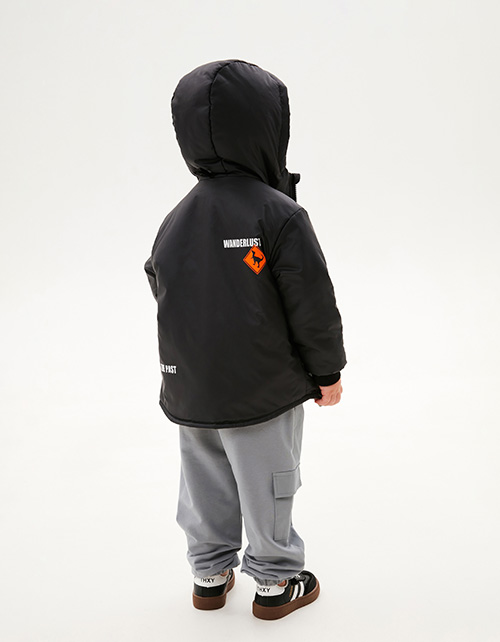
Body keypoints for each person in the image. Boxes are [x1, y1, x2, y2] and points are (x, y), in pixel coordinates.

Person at [144, 59, 346, 620]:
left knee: (203, 478)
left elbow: (162, 290)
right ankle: (276, 583)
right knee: (268, 481)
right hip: (262, 388)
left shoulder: (175, 218)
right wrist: (326, 372)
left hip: (191, 388)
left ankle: (208, 574)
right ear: (267, 128)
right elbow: (311, 304)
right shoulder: (279, 214)